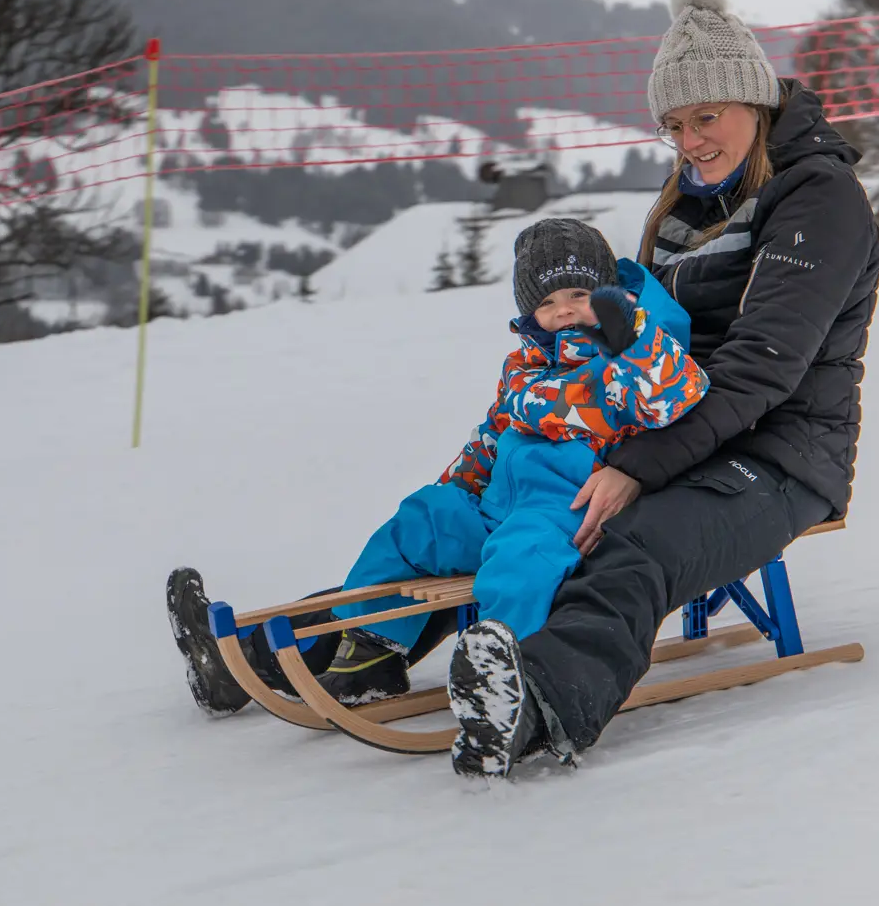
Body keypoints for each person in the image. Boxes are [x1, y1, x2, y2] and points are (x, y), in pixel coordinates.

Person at [442, 0, 879, 778]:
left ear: (754, 100)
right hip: (674, 428)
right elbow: (644, 342)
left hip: (781, 452)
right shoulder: (690, 199)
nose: (691, 141)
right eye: (675, 125)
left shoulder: (819, 201)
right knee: (515, 506)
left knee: (630, 545)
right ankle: (348, 648)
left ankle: (540, 701)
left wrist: (635, 468)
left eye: (706, 116)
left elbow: (760, 371)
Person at [166, 218, 710, 716]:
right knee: (421, 519)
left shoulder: (624, 357)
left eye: (579, 295)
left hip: (565, 514)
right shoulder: (525, 363)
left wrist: (632, 342)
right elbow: (493, 433)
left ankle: (512, 679)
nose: (565, 310)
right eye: (548, 301)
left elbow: (674, 396)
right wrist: (457, 488)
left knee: (517, 563)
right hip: (497, 506)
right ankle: (369, 657)